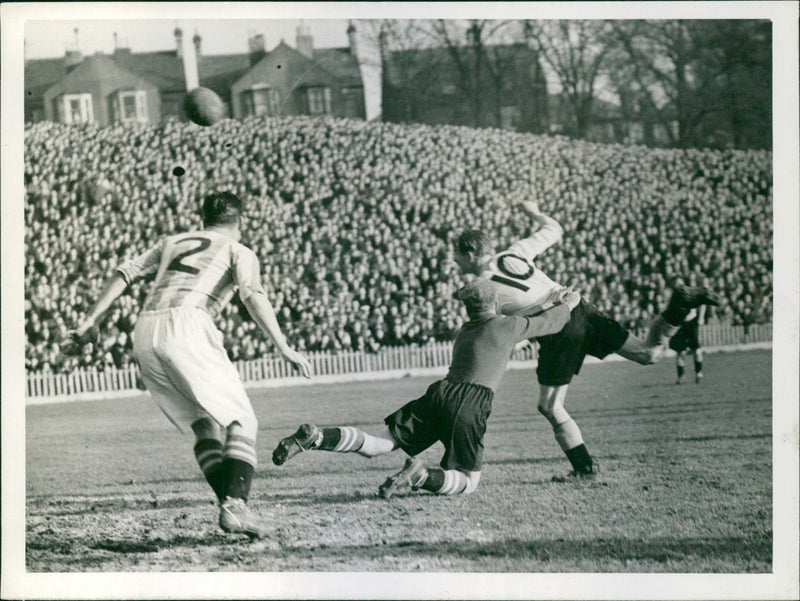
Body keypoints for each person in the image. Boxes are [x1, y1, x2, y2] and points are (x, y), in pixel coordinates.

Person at [61, 191, 312, 538]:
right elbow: (252, 294)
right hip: (189, 324)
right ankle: (235, 508)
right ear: (240, 222)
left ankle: (231, 505)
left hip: (145, 329)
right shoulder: (238, 249)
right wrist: (283, 346)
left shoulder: (172, 241)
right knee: (242, 419)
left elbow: (125, 272)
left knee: (204, 424)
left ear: (205, 218)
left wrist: (90, 320)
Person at [453, 201, 721, 480]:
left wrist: (521, 340)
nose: (454, 260)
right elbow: (554, 229)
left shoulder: (483, 288)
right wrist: (532, 212)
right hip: (578, 307)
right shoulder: (515, 252)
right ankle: (680, 305)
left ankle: (585, 469)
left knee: (550, 406)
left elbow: (502, 330)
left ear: (471, 252)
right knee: (647, 353)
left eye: (456, 254)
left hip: (558, 326)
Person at [271, 278, 579, 498]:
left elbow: (512, 320)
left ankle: (317, 437)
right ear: (496, 304)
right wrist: (566, 305)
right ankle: (419, 476)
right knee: (468, 482)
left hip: (440, 393)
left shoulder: (467, 330)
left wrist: (548, 303)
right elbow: (550, 323)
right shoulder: (505, 326)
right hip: (471, 402)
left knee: (381, 444)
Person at [669, 279, 706, 384]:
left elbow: (703, 301)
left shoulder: (690, 293)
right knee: (680, 351)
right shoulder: (673, 298)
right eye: (676, 285)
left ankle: (699, 372)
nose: (679, 286)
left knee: (696, 349)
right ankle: (681, 376)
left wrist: (701, 318)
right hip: (680, 325)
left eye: (680, 284)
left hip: (691, 323)